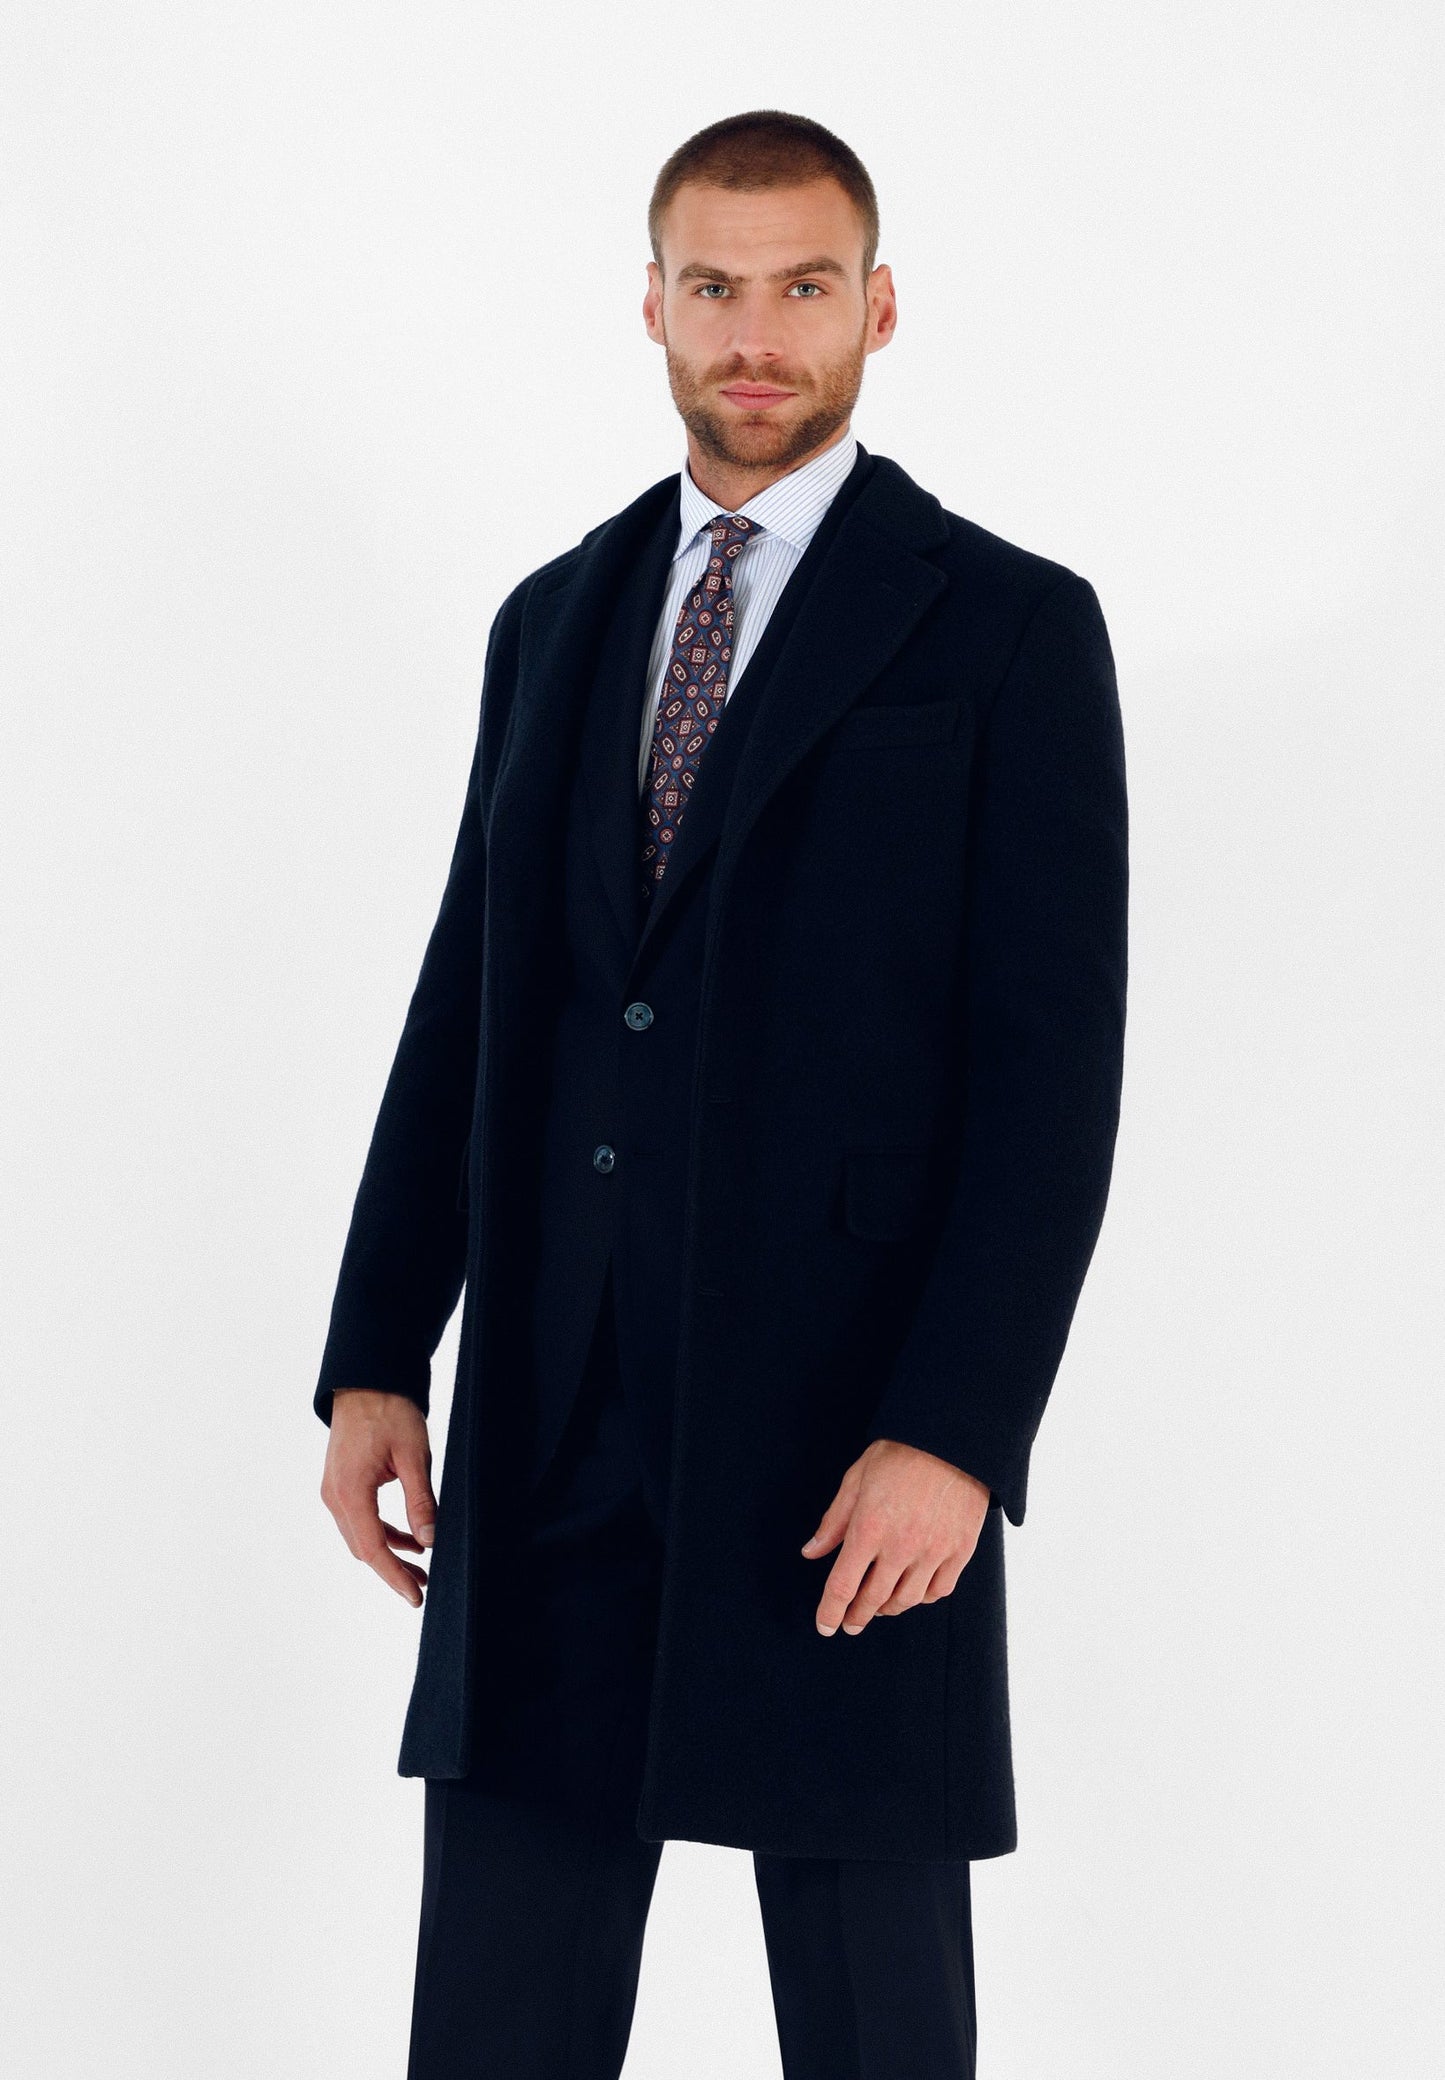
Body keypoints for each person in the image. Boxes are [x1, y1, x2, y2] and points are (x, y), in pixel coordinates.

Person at [315, 107, 1129, 2080]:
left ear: (879, 308)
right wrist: (374, 1353)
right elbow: (467, 1005)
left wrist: (956, 1428)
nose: (756, 333)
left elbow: (1051, 1072)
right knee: (496, 2016)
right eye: (715, 287)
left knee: (872, 2015)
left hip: (840, 1439)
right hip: (554, 1418)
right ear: (653, 305)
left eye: (803, 286)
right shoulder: (556, 616)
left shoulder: (1005, 625)